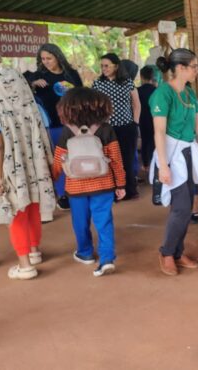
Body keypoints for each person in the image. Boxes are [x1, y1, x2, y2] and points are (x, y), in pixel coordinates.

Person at [149, 49, 198, 276]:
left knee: (189, 205)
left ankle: (178, 252)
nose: (197, 71)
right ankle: (167, 252)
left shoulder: (189, 94)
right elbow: (159, 132)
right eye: (194, 66)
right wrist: (163, 165)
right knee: (180, 208)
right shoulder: (163, 94)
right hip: (170, 154)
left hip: (189, 153)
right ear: (180, 68)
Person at [0, 68, 56, 280]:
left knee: (17, 213)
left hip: (12, 169)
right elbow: (46, 138)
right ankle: (34, 251)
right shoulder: (35, 108)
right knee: (34, 207)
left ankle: (25, 265)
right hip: (37, 168)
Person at [51, 88, 126, 277]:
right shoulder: (106, 129)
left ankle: (85, 253)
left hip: (76, 187)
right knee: (104, 222)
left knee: (80, 222)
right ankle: (107, 259)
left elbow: (59, 159)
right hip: (104, 184)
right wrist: (121, 184)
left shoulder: (67, 130)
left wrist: (53, 178)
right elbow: (116, 159)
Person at [26, 43, 84, 210]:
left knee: (75, 156)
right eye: (43, 59)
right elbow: (26, 94)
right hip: (52, 123)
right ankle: (62, 193)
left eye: (49, 58)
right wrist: (34, 84)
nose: (46, 62)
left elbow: (81, 94)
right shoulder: (38, 75)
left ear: (58, 57)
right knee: (58, 158)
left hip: (74, 122)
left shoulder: (71, 74)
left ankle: (77, 188)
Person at [93, 53, 140, 201]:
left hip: (127, 127)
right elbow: (93, 106)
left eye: (107, 65)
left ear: (116, 66)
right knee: (109, 160)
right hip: (106, 129)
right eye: (102, 66)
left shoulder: (128, 82)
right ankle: (111, 192)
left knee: (127, 158)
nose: (104, 68)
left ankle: (129, 190)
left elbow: (136, 104)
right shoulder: (98, 84)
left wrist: (135, 123)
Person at [137, 65, 158, 172]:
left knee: (145, 141)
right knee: (156, 140)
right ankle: (156, 163)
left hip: (142, 119)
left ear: (141, 77)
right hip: (156, 119)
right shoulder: (157, 90)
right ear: (152, 76)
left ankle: (145, 164)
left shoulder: (137, 91)